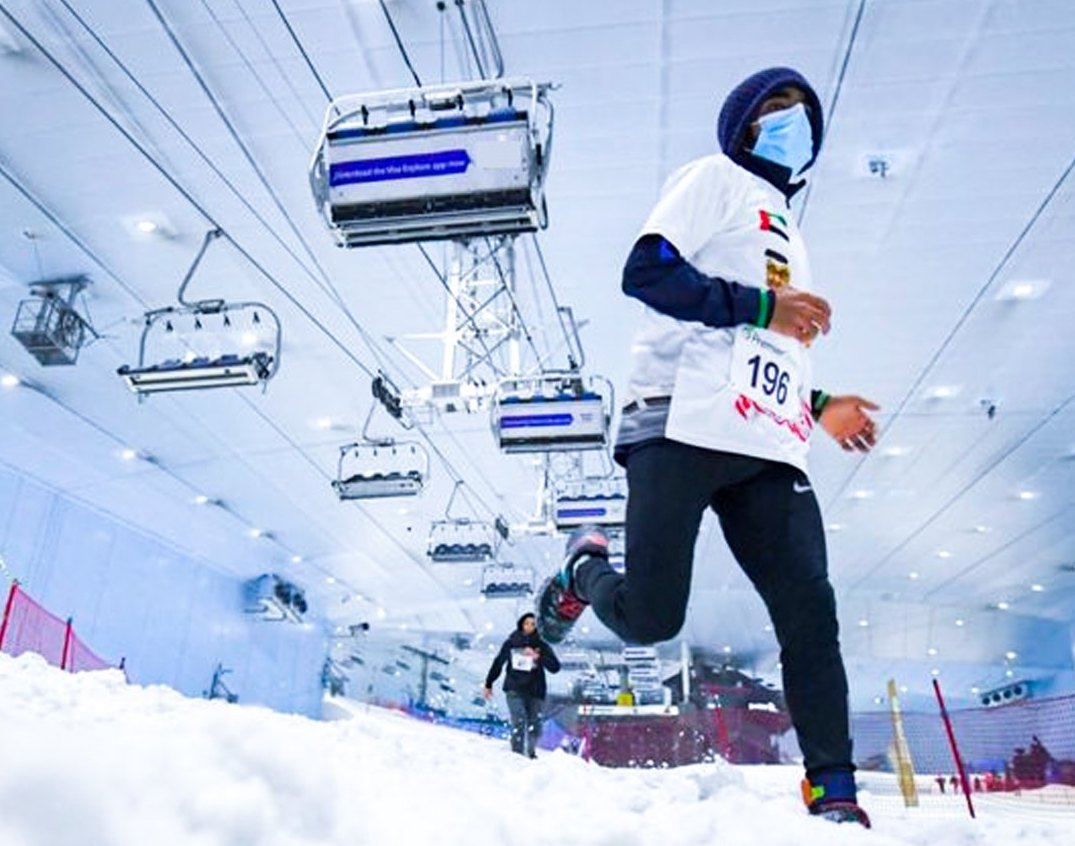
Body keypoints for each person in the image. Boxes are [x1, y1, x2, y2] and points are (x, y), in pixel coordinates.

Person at [536, 66, 879, 827]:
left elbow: (765, 353)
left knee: (809, 614)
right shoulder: (714, 178)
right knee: (653, 617)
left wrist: (818, 404)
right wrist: (761, 304)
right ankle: (584, 568)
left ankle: (832, 787)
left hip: (767, 442)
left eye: (805, 113)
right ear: (743, 126)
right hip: (679, 422)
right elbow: (646, 273)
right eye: (777, 109)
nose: (796, 123)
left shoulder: (792, 231)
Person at [483, 612, 561, 758]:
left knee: (535, 725)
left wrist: (539, 657)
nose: (529, 627)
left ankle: (530, 753)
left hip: (535, 690)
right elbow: (499, 662)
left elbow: (555, 667)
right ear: (521, 624)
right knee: (519, 719)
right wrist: (489, 683)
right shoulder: (512, 642)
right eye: (526, 623)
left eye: (533, 624)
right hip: (514, 688)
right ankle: (517, 755)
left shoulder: (542, 644)